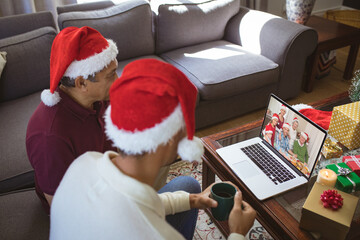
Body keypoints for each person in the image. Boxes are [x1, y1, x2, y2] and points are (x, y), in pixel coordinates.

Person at [50, 59, 256, 240]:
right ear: (169, 137)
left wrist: (193, 200)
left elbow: (138, 202)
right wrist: (237, 232)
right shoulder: (156, 235)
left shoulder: (85, 162)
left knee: (188, 186)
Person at [25, 26, 121, 214]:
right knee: (186, 186)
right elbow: (64, 210)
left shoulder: (100, 100)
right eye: (111, 75)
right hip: (85, 209)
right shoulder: (50, 137)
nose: (118, 80)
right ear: (81, 83)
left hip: (110, 181)